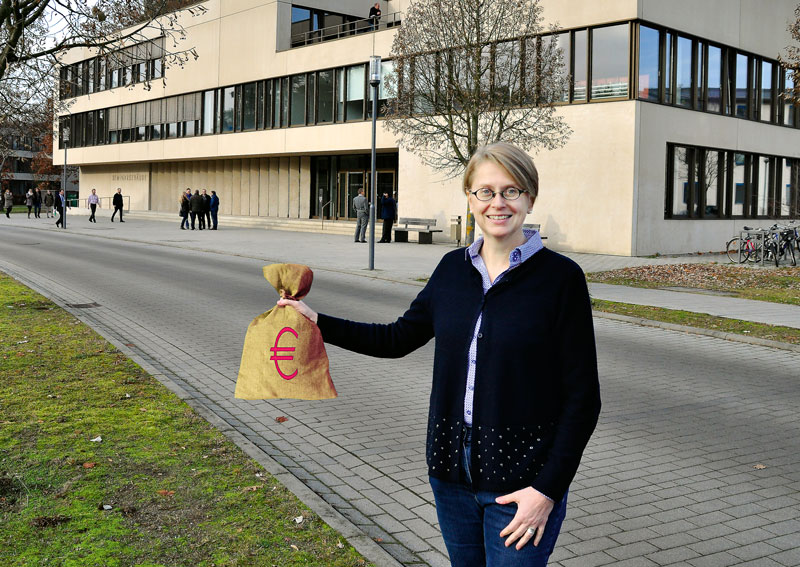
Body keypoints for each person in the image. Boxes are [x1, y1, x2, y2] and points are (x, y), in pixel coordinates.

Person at [278, 142, 601, 567]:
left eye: (511, 190)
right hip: (451, 474)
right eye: (485, 191)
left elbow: (583, 399)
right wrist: (316, 321)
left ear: (530, 198)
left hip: (522, 480)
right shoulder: (452, 269)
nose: (498, 203)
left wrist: (547, 490)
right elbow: (397, 338)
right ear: (469, 198)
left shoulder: (561, 279)